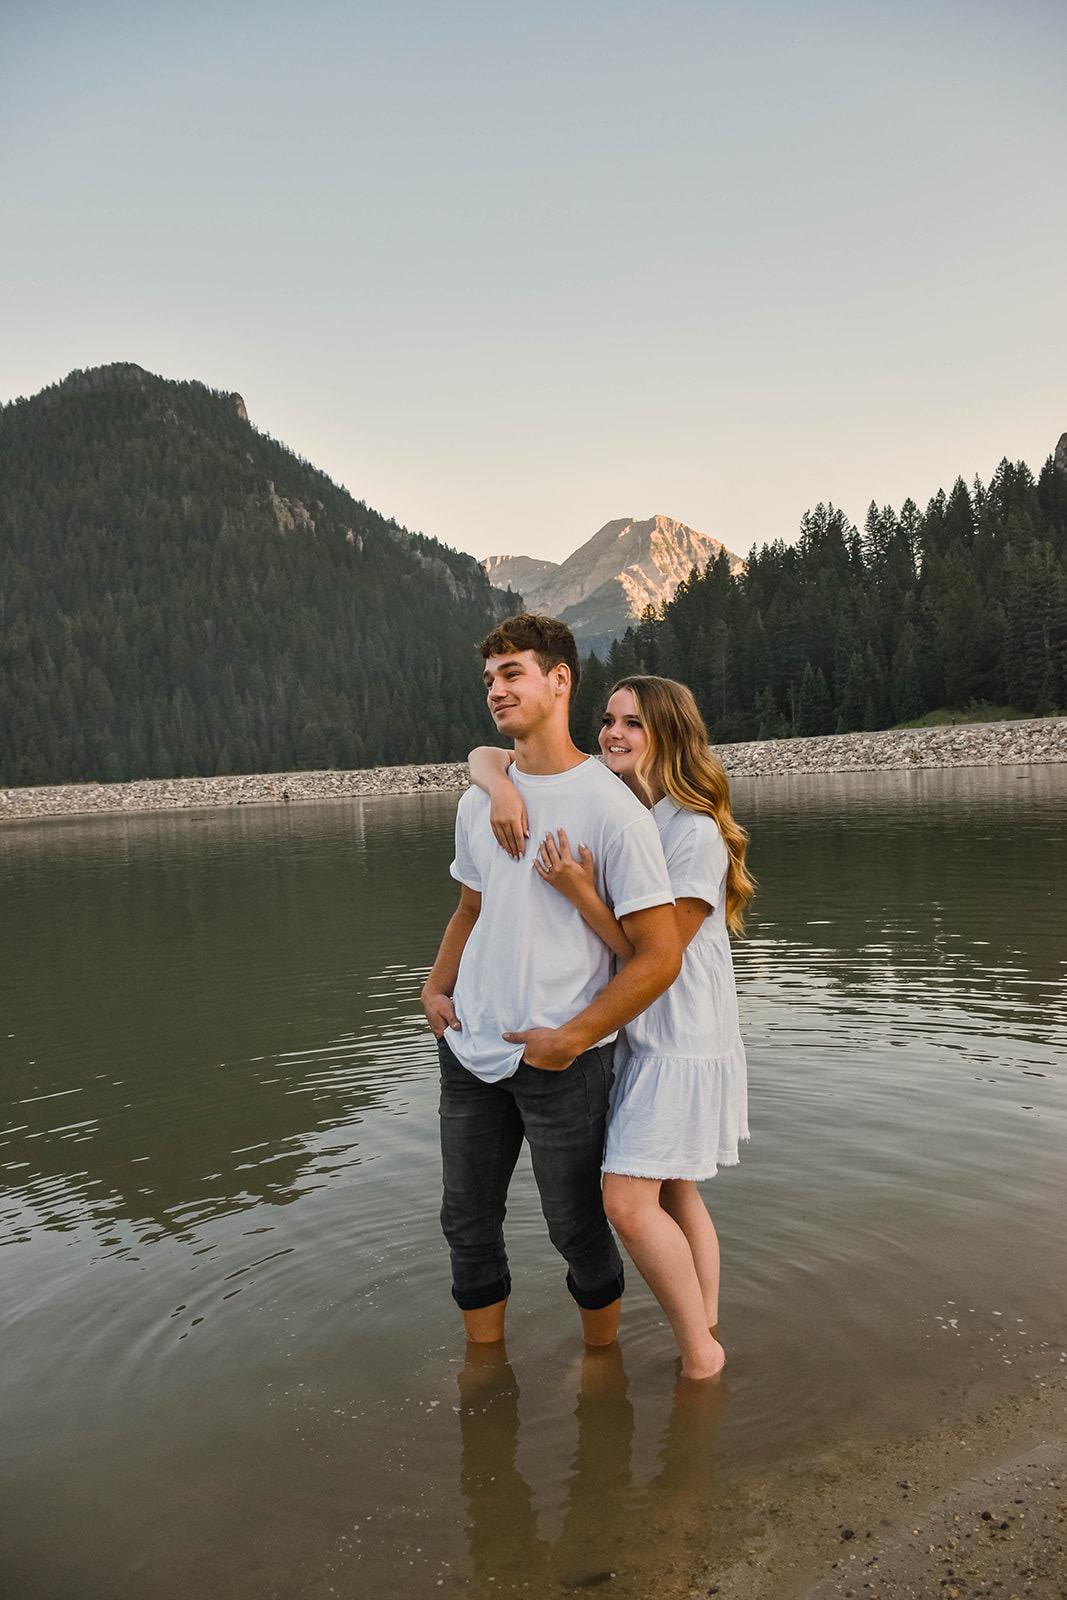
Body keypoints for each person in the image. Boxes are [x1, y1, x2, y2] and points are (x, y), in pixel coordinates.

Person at [469, 675, 754, 1380]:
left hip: (680, 1037)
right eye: (608, 719)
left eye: (632, 723)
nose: (612, 734)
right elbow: (487, 754)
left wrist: (579, 892)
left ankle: (700, 1358)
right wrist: (499, 788)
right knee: (676, 1191)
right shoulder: (632, 809)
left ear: (669, 735)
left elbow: (654, 955)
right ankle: (706, 1326)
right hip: (639, 1033)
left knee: (625, 1203)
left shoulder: (693, 833)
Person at [421, 615, 682, 1350]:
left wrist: (572, 1039)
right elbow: (470, 908)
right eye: (489, 679)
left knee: (575, 1227)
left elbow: (660, 956)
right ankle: (483, 1367)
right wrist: (434, 988)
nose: (496, 691)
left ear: (559, 679)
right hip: (469, 1047)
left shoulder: (611, 809)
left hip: (562, 1060)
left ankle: (601, 1364)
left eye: (513, 674)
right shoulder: (479, 800)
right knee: (466, 1222)